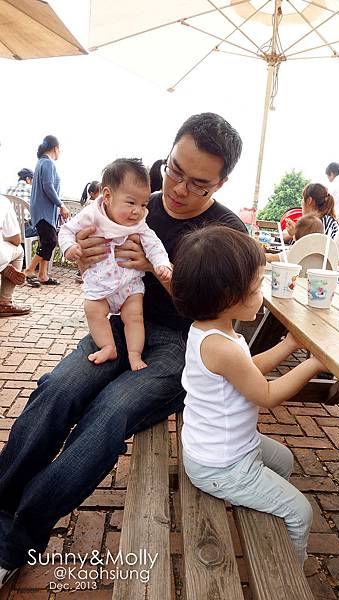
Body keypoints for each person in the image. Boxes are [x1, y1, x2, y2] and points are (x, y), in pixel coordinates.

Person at [0, 112, 247, 587]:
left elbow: (224, 311)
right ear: (168, 153)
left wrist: (158, 271)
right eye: (173, 169)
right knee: (59, 389)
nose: (177, 188)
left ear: (221, 181)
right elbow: (81, 252)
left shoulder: (226, 231)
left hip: (180, 340)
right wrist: (82, 253)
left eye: (198, 183)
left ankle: (14, 543)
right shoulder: (130, 202)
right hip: (117, 324)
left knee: (110, 412)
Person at [171, 225, 324, 565]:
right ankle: (289, 575)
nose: (262, 293)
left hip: (223, 448)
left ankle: (262, 508)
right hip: (221, 466)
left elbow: (247, 368)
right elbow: (266, 394)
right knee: (300, 511)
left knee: (283, 460)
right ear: (227, 297)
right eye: (257, 287)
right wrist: (313, 364)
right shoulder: (220, 346)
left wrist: (287, 346)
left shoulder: (211, 330)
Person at [59, 158, 171, 371]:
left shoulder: (139, 223)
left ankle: (134, 354)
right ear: (108, 196)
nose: (138, 211)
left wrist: (161, 264)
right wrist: (69, 248)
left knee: (134, 317)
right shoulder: (92, 214)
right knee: (93, 311)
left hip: (129, 285)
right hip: (100, 285)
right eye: (131, 203)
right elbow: (66, 231)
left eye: (143, 204)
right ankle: (108, 346)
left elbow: (154, 244)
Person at [24, 135, 70, 287]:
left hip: (41, 210)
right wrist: (61, 204)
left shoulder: (40, 162)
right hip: (44, 211)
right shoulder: (48, 163)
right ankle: (29, 270)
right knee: (51, 241)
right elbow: (48, 187)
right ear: (55, 148)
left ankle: (43, 274)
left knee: (46, 241)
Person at [0, 195, 31, 317]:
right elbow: (16, 240)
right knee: (19, 250)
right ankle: (5, 302)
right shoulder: (2, 201)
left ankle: (3, 267)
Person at [6, 168, 37, 238]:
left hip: (10, 229)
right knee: (47, 230)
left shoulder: (9, 189)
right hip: (25, 230)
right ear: (28, 179)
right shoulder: (31, 189)